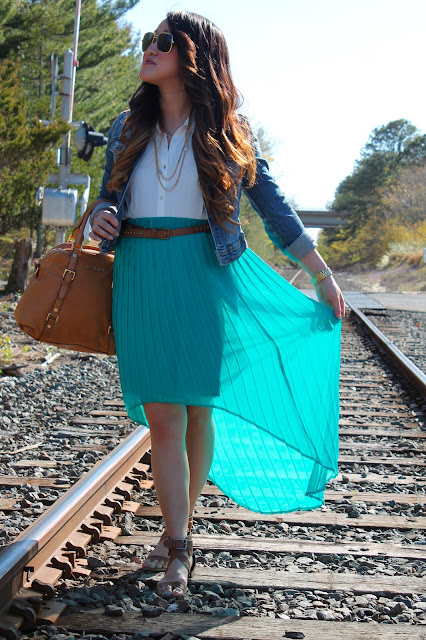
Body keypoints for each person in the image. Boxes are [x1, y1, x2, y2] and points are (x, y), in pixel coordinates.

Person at [89, 10, 344, 599]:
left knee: (197, 412)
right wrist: (101, 215)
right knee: (165, 417)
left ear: (194, 57)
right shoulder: (127, 126)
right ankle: (180, 545)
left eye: (163, 42)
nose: (149, 48)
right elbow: (108, 199)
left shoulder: (228, 132)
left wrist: (321, 275)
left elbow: (275, 211)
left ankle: (176, 531)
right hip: (141, 274)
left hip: (204, 274)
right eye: (149, 40)